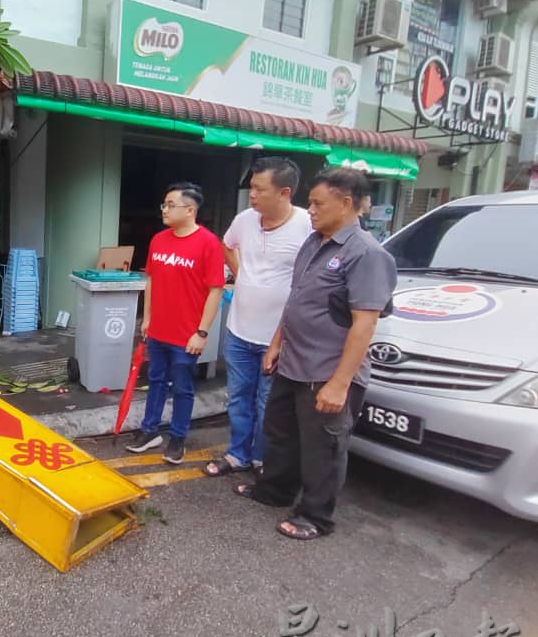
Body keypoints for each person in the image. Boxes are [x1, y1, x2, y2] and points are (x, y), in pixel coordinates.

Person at [234, 168, 396, 540]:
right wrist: (276, 343)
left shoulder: (367, 254)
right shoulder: (314, 242)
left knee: (323, 448)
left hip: (326, 372)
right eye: (309, 203)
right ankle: (275, 490)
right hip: (293, 363)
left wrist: (339, 384)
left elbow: (364, 324)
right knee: (281, 434)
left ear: (346, 202)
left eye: (317, 203)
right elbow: (296, 301)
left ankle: (315, 516)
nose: (310, 210)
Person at [205, 157, 312, 478]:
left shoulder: (306, 225)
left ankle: (263, 458)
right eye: (251, 187)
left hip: (278, 338)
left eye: (259, 189)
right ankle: (237, 454)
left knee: (269, 404)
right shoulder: (245, 220)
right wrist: (243, 276)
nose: (252, 195)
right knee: (238, 398)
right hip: (239, 331)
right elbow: (227, 246)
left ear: (284, 192)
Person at [125, 183, 225, 465]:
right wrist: (148, 317)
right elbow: (151, 280)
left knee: (182, 387)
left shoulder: (208, 243)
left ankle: (178, 437)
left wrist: (201, 332)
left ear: (190, 210)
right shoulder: (158, 240)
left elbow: (215, 290)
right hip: (158, 330)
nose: (165, 210)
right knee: (155, 381)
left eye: (170, 204)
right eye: (164, 204)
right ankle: (149, 431)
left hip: (187, 335)